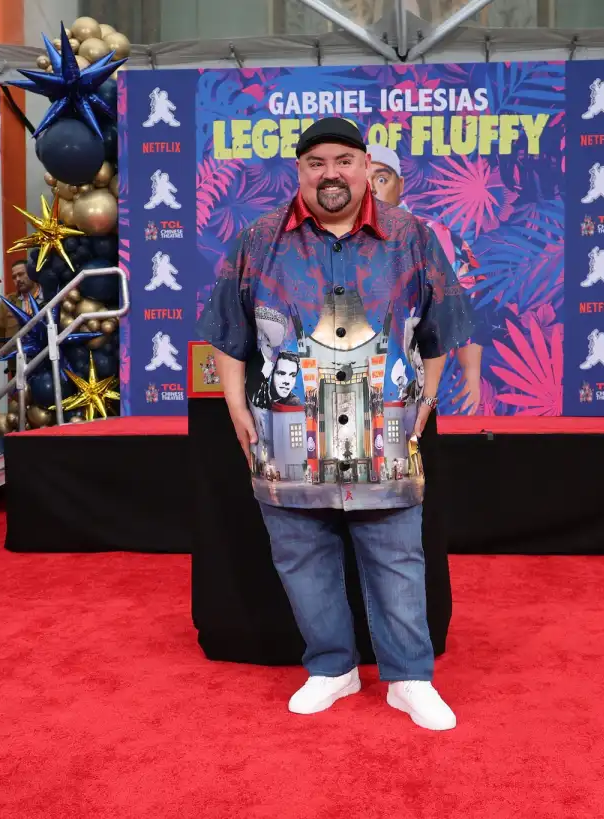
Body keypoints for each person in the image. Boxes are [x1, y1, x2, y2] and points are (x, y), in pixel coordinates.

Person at [198, 119, 473, 731]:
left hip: (385, 435)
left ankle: (410, 677)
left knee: (398, 557)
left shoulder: (411, 235)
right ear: (299, 170)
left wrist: (427, 398)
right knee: (301, 555)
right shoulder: (259, 240)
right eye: (316, 162)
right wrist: (237, 407)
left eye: (344, 161)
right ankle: (331, 667)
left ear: (366, 166)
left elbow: (442, 325)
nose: (331, 174)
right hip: (287, 434)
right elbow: (227, 329)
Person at [368, 143, 483, 414]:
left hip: (428, 386)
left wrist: (470, 376)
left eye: (381, 179)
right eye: (362, 181)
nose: (371, 189)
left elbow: (467, 311)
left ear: (400, 185)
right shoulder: (334, 243)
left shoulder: (436, 236)